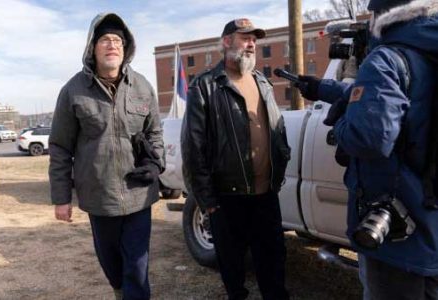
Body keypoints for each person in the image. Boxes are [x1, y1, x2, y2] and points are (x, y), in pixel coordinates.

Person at [295, 0, 438, 299]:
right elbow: (392, 95)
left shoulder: (385, 58)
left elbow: (368, 137)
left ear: (381, 15)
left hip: (399, 242)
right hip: (430, 228)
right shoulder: (426, 53)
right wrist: (321, 88)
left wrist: (343, 122)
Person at [49, 12, 164, 300]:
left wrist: (154, 163)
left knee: (137, 266)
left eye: (117, 40)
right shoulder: (73, 91)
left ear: (125, 49)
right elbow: (60, 146)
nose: (112, 45)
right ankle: (119, 292)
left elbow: (155, 133)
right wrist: (61, 198)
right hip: (99, 197)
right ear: (92, 47)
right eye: (105, 40)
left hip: (138, 195)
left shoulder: (142, 87)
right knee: (112, 264)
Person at [181, 18, 291, 300]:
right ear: (227, 41)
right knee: (233, 273)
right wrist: (208, 203)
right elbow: (193, 148)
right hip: (227, 199)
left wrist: (279, 166)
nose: (252, 43)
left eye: (254, 39)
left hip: (266, 195)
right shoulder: (205, 86)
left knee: (274, 267)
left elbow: (277, 132)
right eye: (245, 38)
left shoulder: (263, 82)